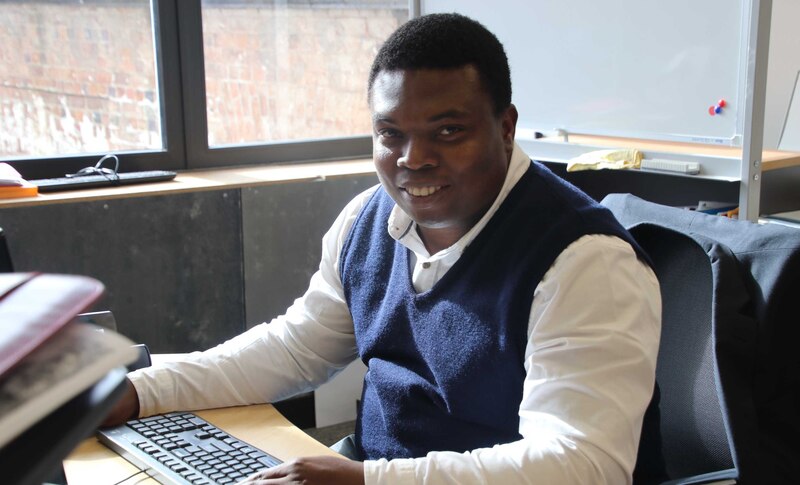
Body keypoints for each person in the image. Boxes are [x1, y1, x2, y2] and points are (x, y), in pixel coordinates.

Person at [104, 13, 661, 485]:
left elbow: (583, 464)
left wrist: (370, 481)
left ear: (506, 127)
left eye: (447, 131)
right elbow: (295, 351)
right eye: (390, 132)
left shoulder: (584, 261)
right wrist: (137, 391)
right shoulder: (367, 221)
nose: (411, 159)